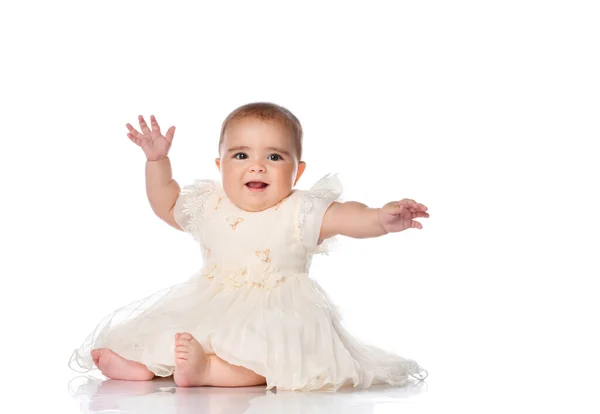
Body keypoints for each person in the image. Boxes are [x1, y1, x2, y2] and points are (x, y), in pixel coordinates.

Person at [69, 102, 430, 391]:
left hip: (279, 311)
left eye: (274, 157)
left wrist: (382, 218)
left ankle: (210, 369)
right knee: (171, 330)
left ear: (297, 172)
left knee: (272, 355)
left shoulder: (300, 210)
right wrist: (157, 162)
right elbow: (165, 203)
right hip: (211, 301)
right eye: (241, 156)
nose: (257, 166)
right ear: (220, 165)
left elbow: (351, 216)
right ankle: (140, 364)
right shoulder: (209, 203)